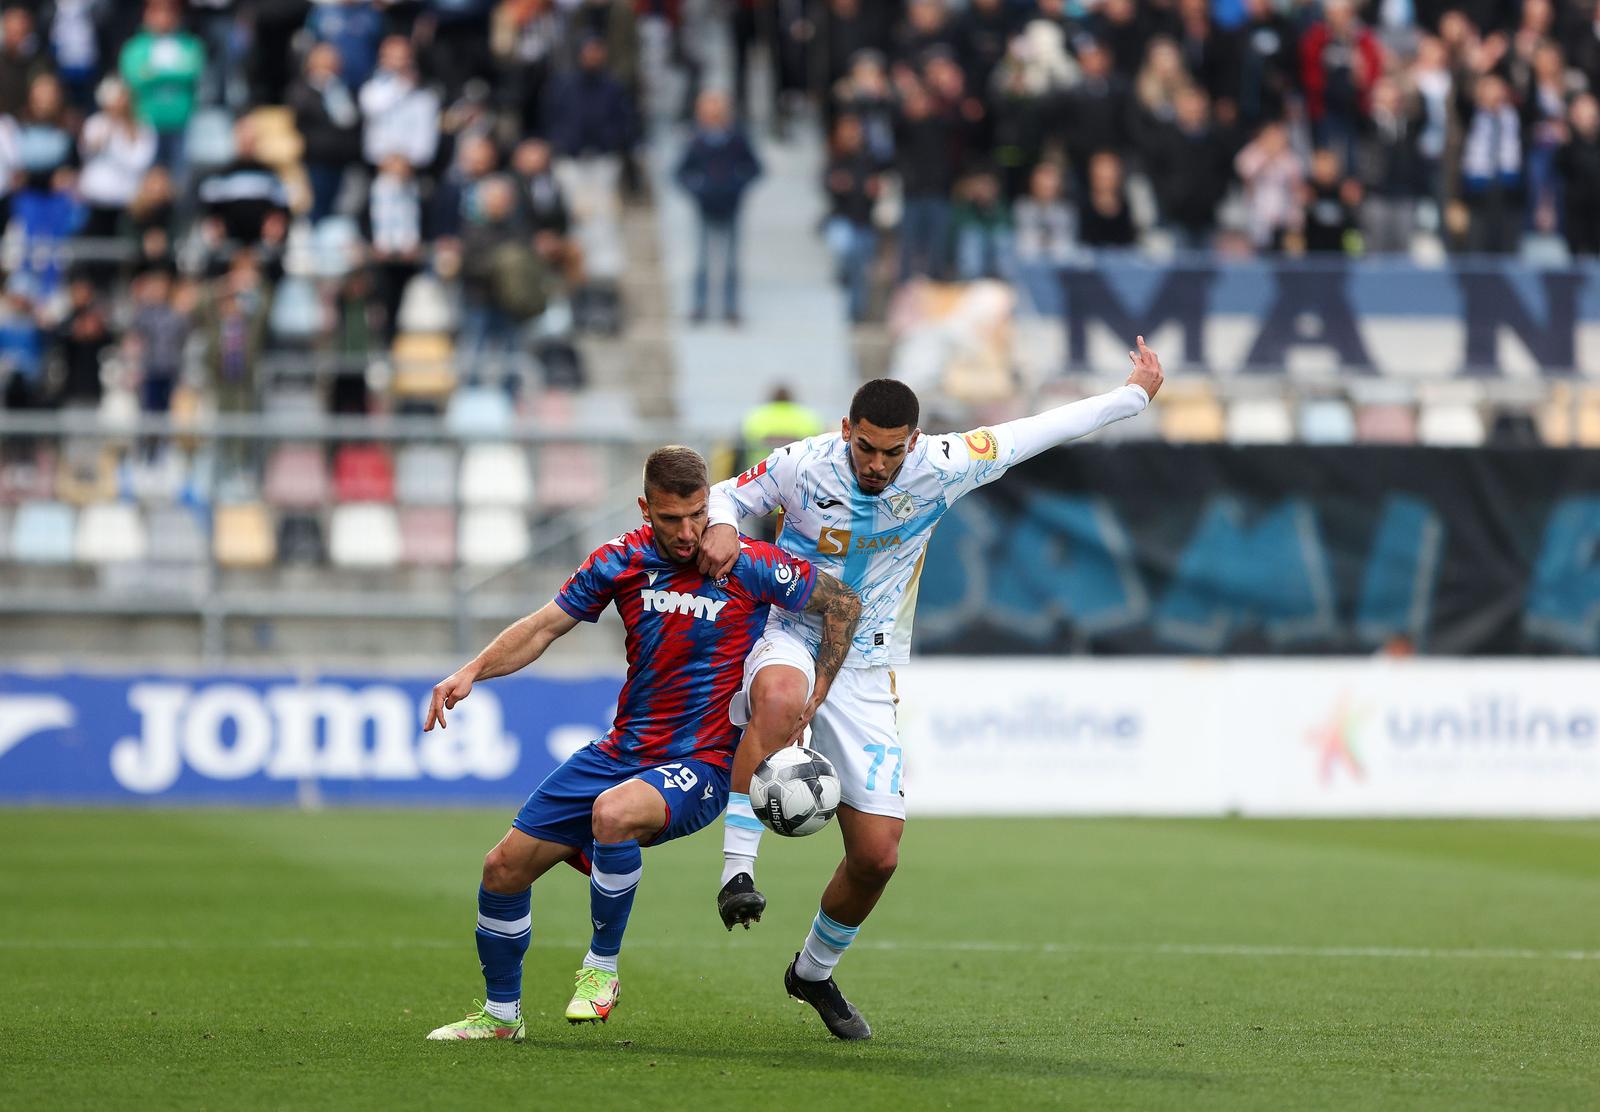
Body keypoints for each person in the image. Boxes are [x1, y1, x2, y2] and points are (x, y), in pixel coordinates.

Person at [696, 340, 1165, 1041]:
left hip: (867, 665)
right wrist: (724, 527)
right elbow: (729, 492)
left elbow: (1036, 431)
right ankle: (738, 871)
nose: (876, 464)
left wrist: (1130, 396)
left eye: (891, 452)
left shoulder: (945, 465)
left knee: (877, 856)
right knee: (781, 699)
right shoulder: (803, 464)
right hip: (791, 631)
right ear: (847, 431)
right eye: (865, 448)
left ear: (913, 442)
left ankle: (813, 972)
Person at [423, 446, 861, 1040]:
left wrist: (817, 692)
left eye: (698, 515)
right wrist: (472, 671)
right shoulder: (621, 560)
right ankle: (501, 1018)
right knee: (501, 869)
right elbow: (545, 626)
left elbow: (842, 603)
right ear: (644, 508)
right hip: (623, 749)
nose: (687, 533)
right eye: (670, 518)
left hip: (704, 760)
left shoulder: (750, 563)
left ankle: (600, 969)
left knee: (614, 813)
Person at [675, 90, 761, 325]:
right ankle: (700, 305)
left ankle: (731, 307)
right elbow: (680, 173)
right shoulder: (696, 140)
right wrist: (699, 189)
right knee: (702, 260)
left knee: (731, 260)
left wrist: (736, 185)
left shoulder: (736, 139)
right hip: (705, 205)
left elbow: (755, 168)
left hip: (730, 204)